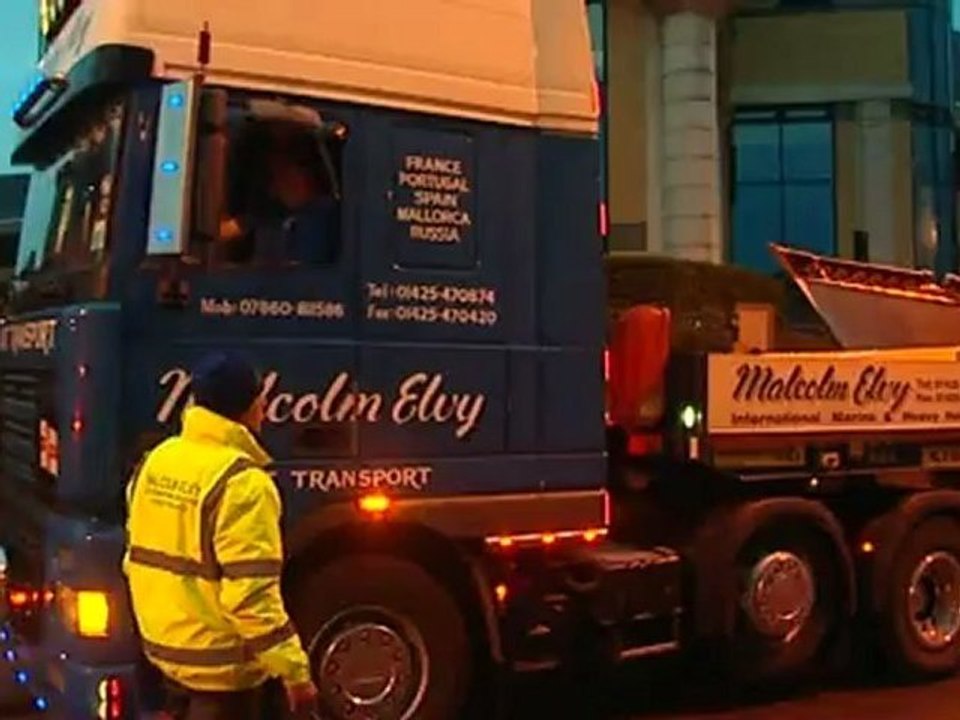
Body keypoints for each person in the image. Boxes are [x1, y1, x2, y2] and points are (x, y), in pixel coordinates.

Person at [123, 352, 318, 720]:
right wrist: (296, 674)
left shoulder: (156, 461)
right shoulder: (242, 483)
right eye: (261, 398)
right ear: (250, 407)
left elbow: (135, 561)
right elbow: (251, 599)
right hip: (222, 677)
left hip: (164, 658)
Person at [218, 122, 338, 266]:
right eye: (312, 182)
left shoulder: (271, 213)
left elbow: (221, 232)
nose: (308, 195)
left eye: (318, 191)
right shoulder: (238, 147)